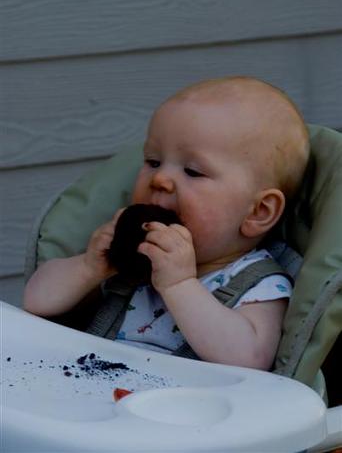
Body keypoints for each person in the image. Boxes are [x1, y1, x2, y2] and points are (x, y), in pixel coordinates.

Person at [24, 76, 310, 370]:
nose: (160, 179)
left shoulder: (260, 285)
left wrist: (180, 285)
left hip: (189, 410)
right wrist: (88, 267)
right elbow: (36, 302)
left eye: (192, 171)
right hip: (95, 393)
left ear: (258, 212)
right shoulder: (130, 262)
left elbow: (250, 359)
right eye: (153, 162)